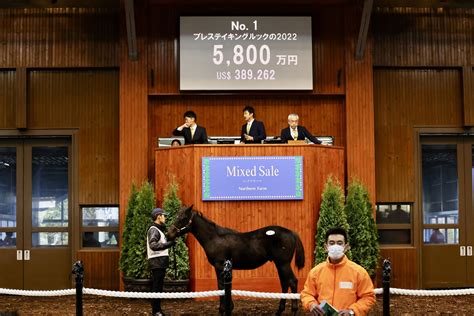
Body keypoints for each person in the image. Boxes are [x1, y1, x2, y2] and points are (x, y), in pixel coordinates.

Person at [300, 227, 375, 316]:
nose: (335, 246)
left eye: (339, 243)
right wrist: (311, 304)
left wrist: (352, 311)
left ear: (346, 247)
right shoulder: (316, 272)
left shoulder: (359, 272)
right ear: (326, 247)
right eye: (331, 243)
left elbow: (368, 297)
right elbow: (307, 293)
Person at [147, 207, 175, 316]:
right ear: (159, 216)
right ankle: (156, 311)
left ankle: (157, 310)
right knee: (157, 287)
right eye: (164, 215)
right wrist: (169, 244)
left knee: (158, 287)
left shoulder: (157, 229)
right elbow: (153, 245)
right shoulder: (154, 230)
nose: (165, 217)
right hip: (157, 262)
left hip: (158, 263)